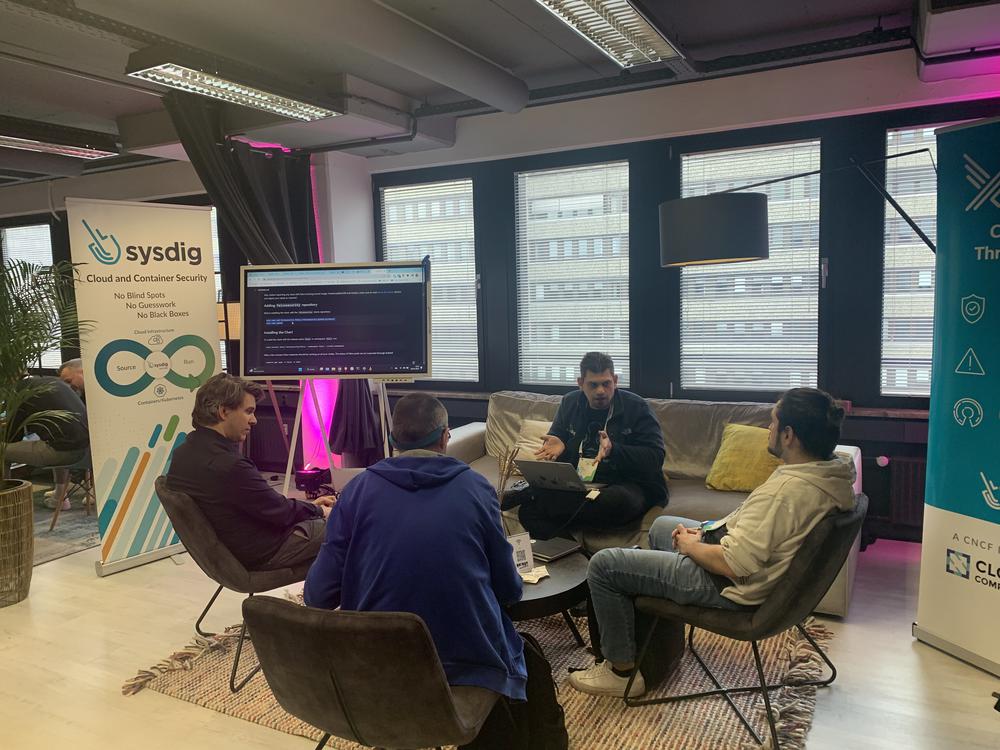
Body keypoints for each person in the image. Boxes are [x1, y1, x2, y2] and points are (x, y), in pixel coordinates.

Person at [304, 393, 566, 749]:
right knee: (519, 656)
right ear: (445, 436)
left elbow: (318, 596)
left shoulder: (356, 491)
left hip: (374, 666)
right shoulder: (476, 488)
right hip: (467, 667)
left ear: (393, 440)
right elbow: (509, 589)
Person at [567, 387, 856, 698]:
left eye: (773, 422)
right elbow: (751, 532)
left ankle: (621, 672)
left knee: (604, 565)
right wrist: (705, 533)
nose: (768, 429)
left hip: (730, 586)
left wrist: (692, 547)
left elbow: (735, 563)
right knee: (663, 527)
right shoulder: (827, 474)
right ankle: (655, 636)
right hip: (746, 568)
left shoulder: (786, 493)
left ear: (788, 435)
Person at [166, 373, 334, 570]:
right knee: (352, 526)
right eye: (248, 412)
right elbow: (280, 513)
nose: (254, 420)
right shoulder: (230, 466)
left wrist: (309, 507)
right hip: (265, 551)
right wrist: (320, 511)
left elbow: (269, 506)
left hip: (230, 554)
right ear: (223, 412)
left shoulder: (183, 453)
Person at [509, 352, 668, 540]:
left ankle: (532, 495)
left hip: (626, 484)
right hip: (581, 483)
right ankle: (572, 550)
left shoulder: (637, 407)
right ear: (580, 383)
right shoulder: (570, 403)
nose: (600, 391)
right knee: (528, 513)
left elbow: (655, 458)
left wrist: (614, 450)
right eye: (593, 385)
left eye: (606, 383)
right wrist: (562, 446)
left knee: (615, 502)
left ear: (615, 381)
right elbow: (555, 442)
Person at [4, 375, 89, 509]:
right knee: (57, 439)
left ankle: (6, 501)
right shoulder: (52, 381)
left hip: (63, 453)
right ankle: (60, 497)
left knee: (2, 451)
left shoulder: (21, 392)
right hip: (86, 450)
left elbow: (12, 436)